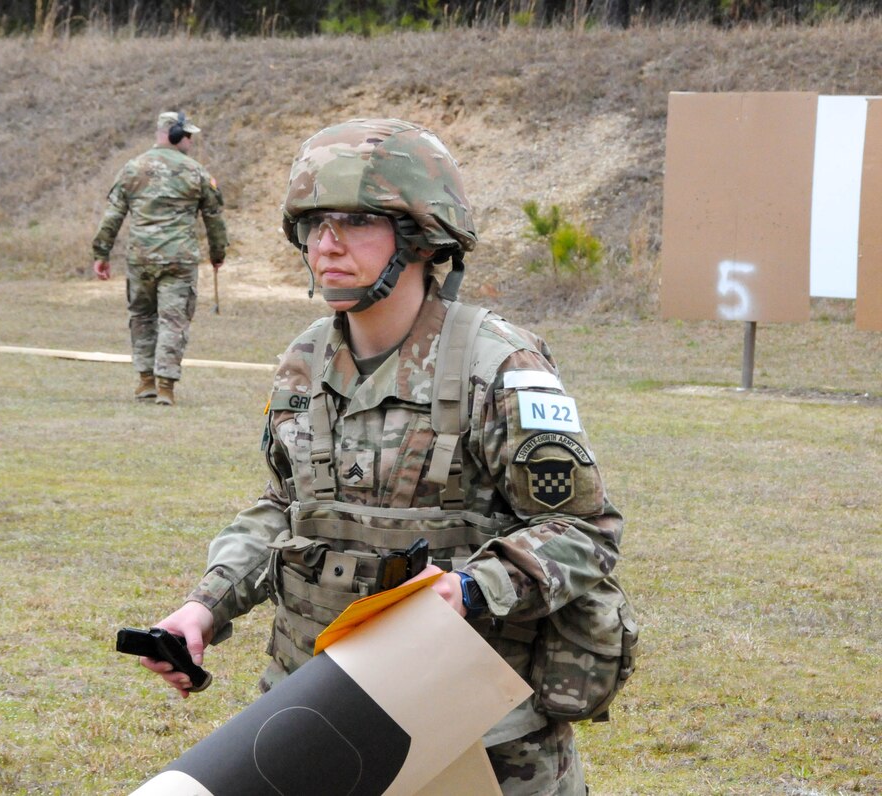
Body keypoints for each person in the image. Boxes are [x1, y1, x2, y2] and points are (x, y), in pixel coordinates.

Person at [144, 118, 636, 795]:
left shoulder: (498, 365)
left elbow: (585, 531)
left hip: (474, 731)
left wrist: (467, 589)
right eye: (313, 224)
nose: (327, 244)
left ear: (419, 234)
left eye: (356, 221)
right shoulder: (305, 360)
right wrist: (203, 609)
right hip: (319, 716)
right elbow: (288, 508)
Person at [92, 110, 227, 406]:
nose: (190, 141)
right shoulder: (196, 172)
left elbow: (112, 216)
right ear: (175, 134)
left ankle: (145, 382)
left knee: (142, 317)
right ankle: (165, 386)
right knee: (173, 321)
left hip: (141, 259)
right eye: (187, 135)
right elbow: (214, 218)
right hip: (180, 260)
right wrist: (218, 253)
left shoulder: (132, 169)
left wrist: (101, 254)